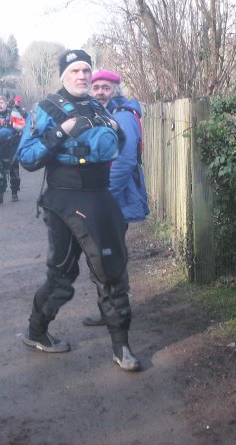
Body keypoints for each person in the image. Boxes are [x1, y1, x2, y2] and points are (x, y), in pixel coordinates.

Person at [17, 49, 141, 372]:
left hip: (100, 197)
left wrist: (114, 131)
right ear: (64, 76)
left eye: (87, 70)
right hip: (64, 200)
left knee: (112, 270)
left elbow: (121, 139)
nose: (83, 76)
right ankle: (37, 330)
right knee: (62, 274)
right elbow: (27, 157)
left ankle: (121, 346)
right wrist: (61, 132)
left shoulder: (99, 106)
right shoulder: (46, 109)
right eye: (75, 71)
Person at [83, 69, 150, 327]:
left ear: (116, 90)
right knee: (103, 251)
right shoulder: (105, 114)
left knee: (111, 253)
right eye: (96, 87)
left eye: (106, 87)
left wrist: (104, 200)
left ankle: (118, 310)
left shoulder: (121, 116)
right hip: (108, 194)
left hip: (116, 196)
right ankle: (110, 308)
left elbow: (123, 162)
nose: (100, 91)